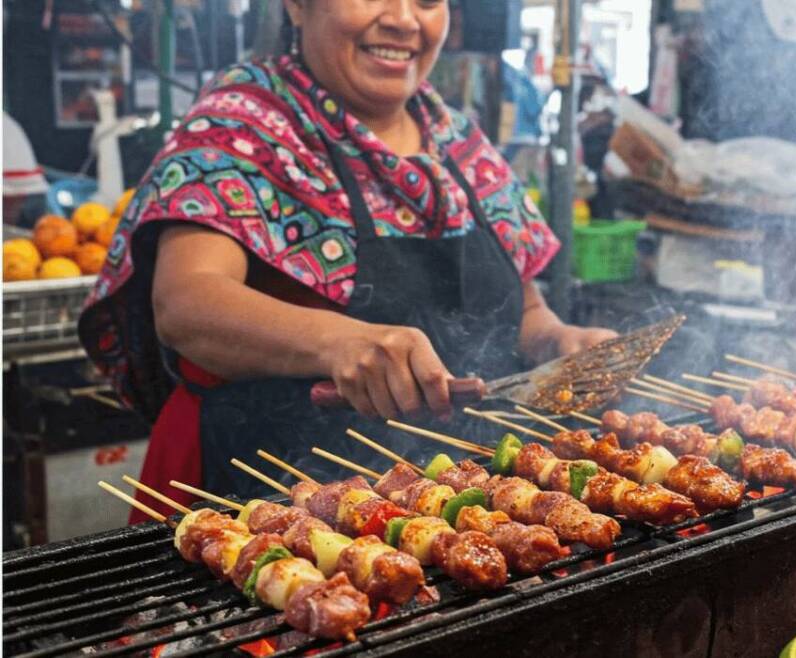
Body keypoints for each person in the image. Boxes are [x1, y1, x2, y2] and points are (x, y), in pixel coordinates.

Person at [78, 0, 616, 519]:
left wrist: (555, 341)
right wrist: (341, 341)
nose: (404, 20)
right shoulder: (242, 125)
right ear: (296, 4)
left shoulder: (459, 142)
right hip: (259, 498)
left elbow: (523, 310)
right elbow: (185, 303)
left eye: (428, 0)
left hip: (454, 499)